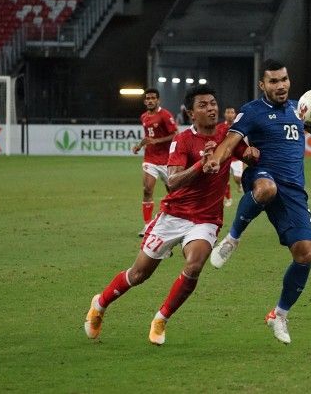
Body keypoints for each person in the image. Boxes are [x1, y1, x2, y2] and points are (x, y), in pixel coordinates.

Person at [203, 59, 311, 344]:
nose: (280, 85)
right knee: (267, 188)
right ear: (263, 85)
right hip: (262, 175)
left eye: (284, 79)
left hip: (294, 191)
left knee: (305, 253)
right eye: (273, 81)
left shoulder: (301, 108)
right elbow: (230, 142)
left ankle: (279, 315)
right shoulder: (252, 111)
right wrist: (215, 160)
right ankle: (232, 238)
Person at [84, 85, 258, 345]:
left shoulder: (227, 134)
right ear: (191, 114)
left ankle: (161, 318)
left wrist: (252, 154)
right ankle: (100, 303)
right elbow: (174, 182)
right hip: (173, 216)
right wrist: (202, 164)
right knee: (139, 274)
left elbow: (244, 153)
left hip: (206, 219)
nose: (211, 108)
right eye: (203, 105)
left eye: (213, 103)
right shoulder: (183, 141)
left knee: (195, 263)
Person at [132, 88, 179, 237]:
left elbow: (175, 134)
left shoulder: (165, 115)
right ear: (145, 101)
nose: (150, 100)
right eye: (148, 98)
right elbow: (148, 137)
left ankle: (176, 220)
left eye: (153, 98)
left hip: (166, 161)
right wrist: (139, 146)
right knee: (147, 190)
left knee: (173, 193)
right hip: (150, 159)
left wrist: (157, 141)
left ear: (158, 100)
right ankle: (147, 226)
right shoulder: (144, 117)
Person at [217, 107, 244, 206]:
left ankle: (239, 184)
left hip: (236, 158)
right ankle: (228, 198)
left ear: (235, 114)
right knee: (224, 179)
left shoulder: (239, 126)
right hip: (224, 157)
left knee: (237, 178)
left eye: (232, 112)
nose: (230, 114)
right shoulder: (219, 127)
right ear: (224, 114)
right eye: (228, 112)